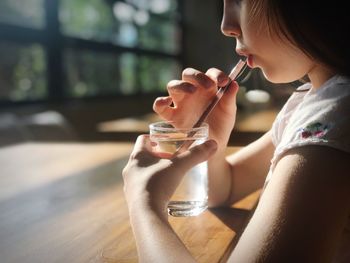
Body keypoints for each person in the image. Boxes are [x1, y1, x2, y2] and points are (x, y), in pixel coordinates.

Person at [122, 0, 350, 262]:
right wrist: (213, 140)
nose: (226, 26)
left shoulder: (336, 117)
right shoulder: (310, 102)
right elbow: (224, 189)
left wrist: (144, 205)